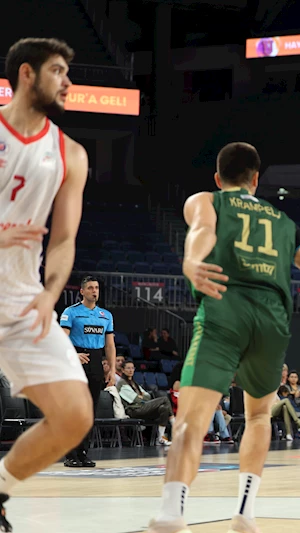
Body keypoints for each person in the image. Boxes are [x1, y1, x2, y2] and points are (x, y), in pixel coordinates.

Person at [146, 142, 300, 533]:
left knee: (190, 420)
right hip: (272, 322)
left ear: (218, 179)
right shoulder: (283, 222)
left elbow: (202, 230)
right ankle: (245, 514)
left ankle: (172, 513)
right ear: (256, 180)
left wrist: (191, 262)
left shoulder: (207, 200)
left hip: (225, 309)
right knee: (258, 416)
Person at [0, 37, 92, 531]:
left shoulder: (69, 154)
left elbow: (62, 241)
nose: (68, 82)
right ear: (27, 74)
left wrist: (50, 293)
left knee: (76, 415)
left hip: (21, 300)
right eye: (58, 70)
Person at [60, 275, 117, 467]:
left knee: (89, 411)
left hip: (95, 361)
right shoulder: (71, 312)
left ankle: (83, 452)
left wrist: (112, 370)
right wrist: (73, 354)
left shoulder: (106, 315)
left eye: (97, 288)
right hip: (76, 360)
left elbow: (110, 346)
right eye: (91, 288)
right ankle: (70, 454)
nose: (94, 291)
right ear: (82, 291)